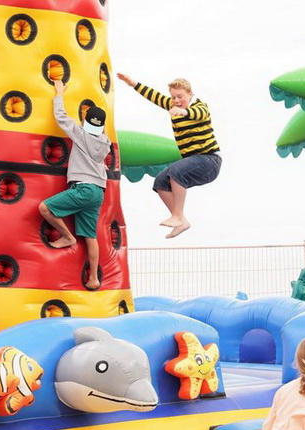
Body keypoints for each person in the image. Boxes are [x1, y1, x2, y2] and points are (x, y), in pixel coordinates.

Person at [116, 73, 222, 239]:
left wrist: (183, 112)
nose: (176, 100)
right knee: (160, 182)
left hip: (209, 160)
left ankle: (177, 215)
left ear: (190, 94)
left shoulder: (200, 106)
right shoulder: (172, 104)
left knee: (176, 171)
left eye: (180, 96)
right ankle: (181, 220)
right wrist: (133, 83)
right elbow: (154, 96)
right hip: (193, 162)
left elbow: (198, 113)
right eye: (173, 97)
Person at [38, 80, 110, 290]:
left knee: (45, 208)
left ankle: (67, 236)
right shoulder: (105, 142)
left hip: (83, 188)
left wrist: (59, 93)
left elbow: (61, 117)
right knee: (90, 236)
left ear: (85, 121)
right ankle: (94, 278)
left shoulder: (81, 134)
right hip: (98, 191)